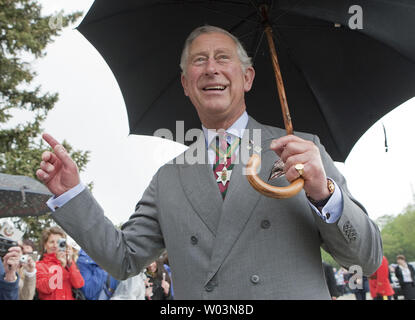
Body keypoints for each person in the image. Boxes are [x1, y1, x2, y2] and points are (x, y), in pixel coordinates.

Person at [35, 25, 383, 299]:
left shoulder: (303, 150)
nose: (211, 68)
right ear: (186, 84)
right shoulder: (168, 178)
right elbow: (123, 258)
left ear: (247, 78)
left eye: (222, 58)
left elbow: (364, 260)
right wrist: (72, 194)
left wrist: (323, 194)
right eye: (199, 61)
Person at [35, 226, 84, 300]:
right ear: (45, 245)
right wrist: (60, 266)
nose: (55, 245)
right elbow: (46, 288)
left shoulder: (68, 264)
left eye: (58, 242)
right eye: (51, 242)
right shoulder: (39, 265)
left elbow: (79, 284)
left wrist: (70, 262)